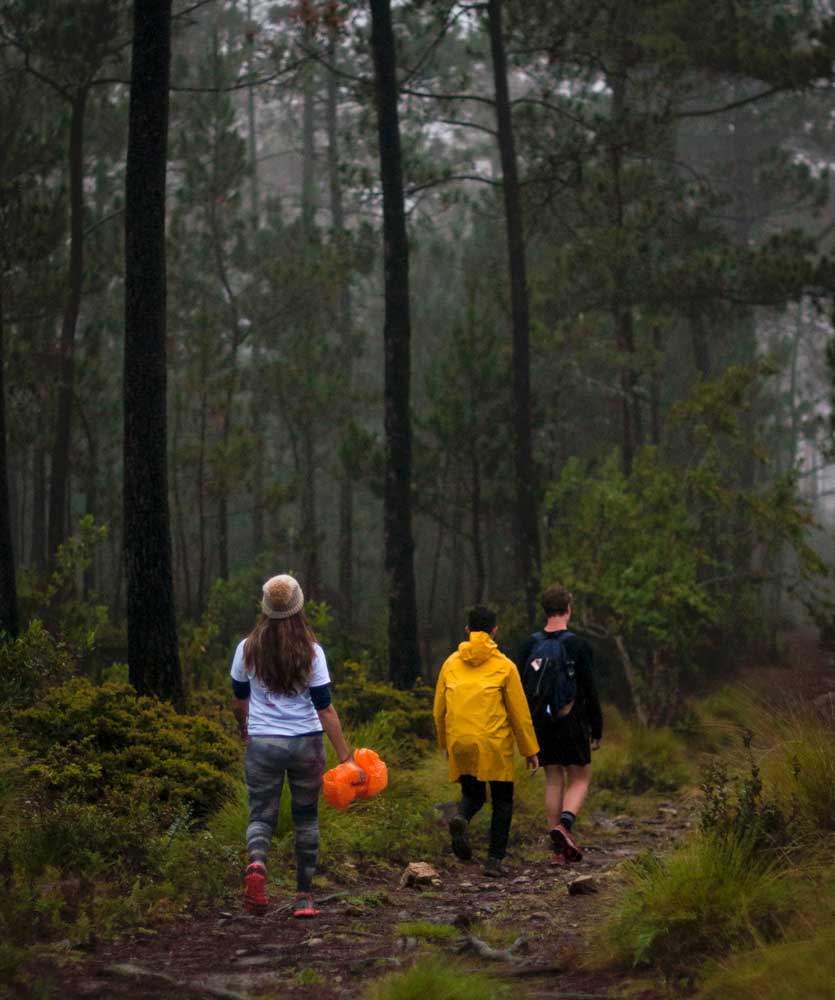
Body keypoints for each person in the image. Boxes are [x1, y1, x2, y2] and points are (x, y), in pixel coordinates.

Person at [230, 573, 364, 917]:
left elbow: (239, 699)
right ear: (299, 606)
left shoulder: (247, 648)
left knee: (261, 815)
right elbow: (325, 707)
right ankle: (304, 898)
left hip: (263, 744)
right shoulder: (311, 651)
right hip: (306, 745)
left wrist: (245, 729)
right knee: (306, 819)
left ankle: (257, 865)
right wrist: (345, 756)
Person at [433, 605, 539, 877]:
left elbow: (439, 710)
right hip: (493, 743)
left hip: (461, 740)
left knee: (473, 794)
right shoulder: (505, 666)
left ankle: (461, 818)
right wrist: (530, 750)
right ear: (494, 631)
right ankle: (494, 861)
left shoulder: (450, 663)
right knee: (502, 801)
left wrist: (446, 744)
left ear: (467, 630)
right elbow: (519, 713)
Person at [517, 584, 602, 865]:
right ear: (568, 609)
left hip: (542, 722)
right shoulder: (578, 645)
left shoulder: (529, 645)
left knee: (553, 778)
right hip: (571, 719)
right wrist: (596, 727)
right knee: (579, 778)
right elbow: (589, 689)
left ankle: (558, 853)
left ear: (545, 611)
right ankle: (564, 825)